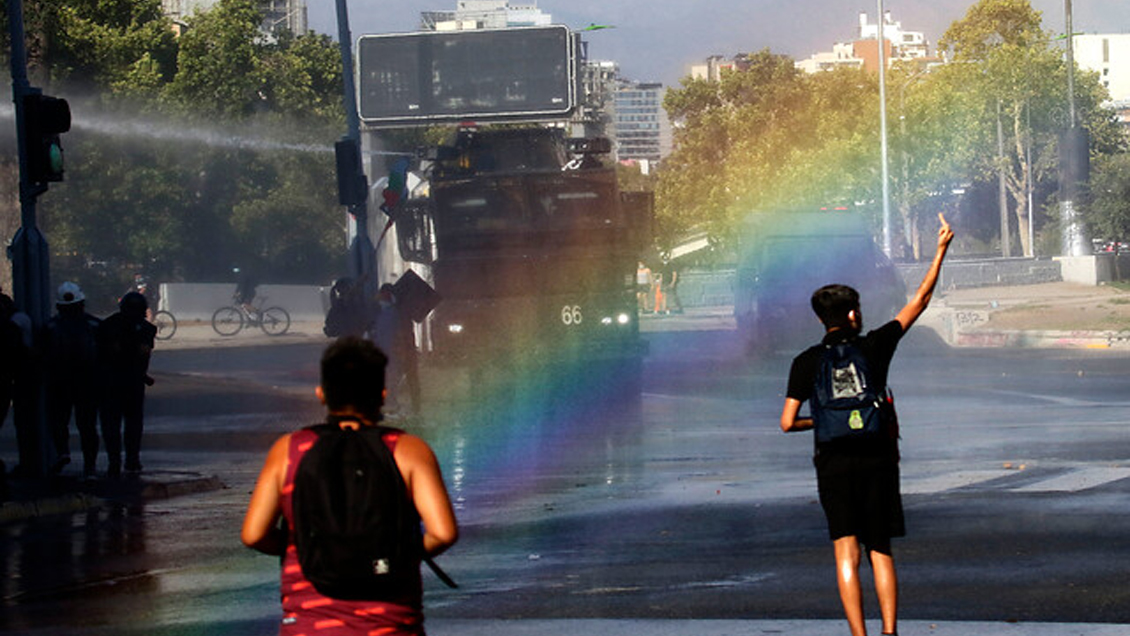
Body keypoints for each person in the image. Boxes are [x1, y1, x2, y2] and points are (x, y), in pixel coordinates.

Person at [779, 213, 954, 636]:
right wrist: (941, 251)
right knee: (880, 549)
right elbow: (920, 302)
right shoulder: (875, 346)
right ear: (854, 314)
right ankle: (889, 631)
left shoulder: (806, 362)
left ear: (822, 319)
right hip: (876, 458)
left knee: (846, 551)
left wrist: (821, 420)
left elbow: (787, 423)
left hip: (833, 462)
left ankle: (857, 633)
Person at [241, 337, 458, 635]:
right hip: (391, 623)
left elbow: (254, 534)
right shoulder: (408, 450)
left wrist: (311, 546)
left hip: (309, 626)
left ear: (321, 395)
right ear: (382, 395)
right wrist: (390, 557)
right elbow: (443, 533)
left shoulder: (290, 450)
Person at [42, 282, 103, 478]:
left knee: (58, 422)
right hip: (88, 383)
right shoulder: (95, 325)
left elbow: (40, 356)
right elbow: (107, 355)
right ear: (82, 302)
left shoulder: (50, 327)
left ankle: (63, 452)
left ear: (59, 306)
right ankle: (90, 467)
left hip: (59, 383)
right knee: (87, 426)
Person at [98, 291, 158, 476]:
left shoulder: (107, 325)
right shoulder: (147, 329)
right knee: (132, 423)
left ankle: (115, 461)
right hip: (131, 382)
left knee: (112, 424)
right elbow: (142, 355)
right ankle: (131, 460)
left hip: (111, 382)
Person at [374, 284, 421, 417]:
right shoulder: (388, 313)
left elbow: (400, 335)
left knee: (396, 380)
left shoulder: (395, 314)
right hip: (393, 353)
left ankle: (409, 408)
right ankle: (404, 408)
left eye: (384, 295)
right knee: (395, 381)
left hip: (398, 353)